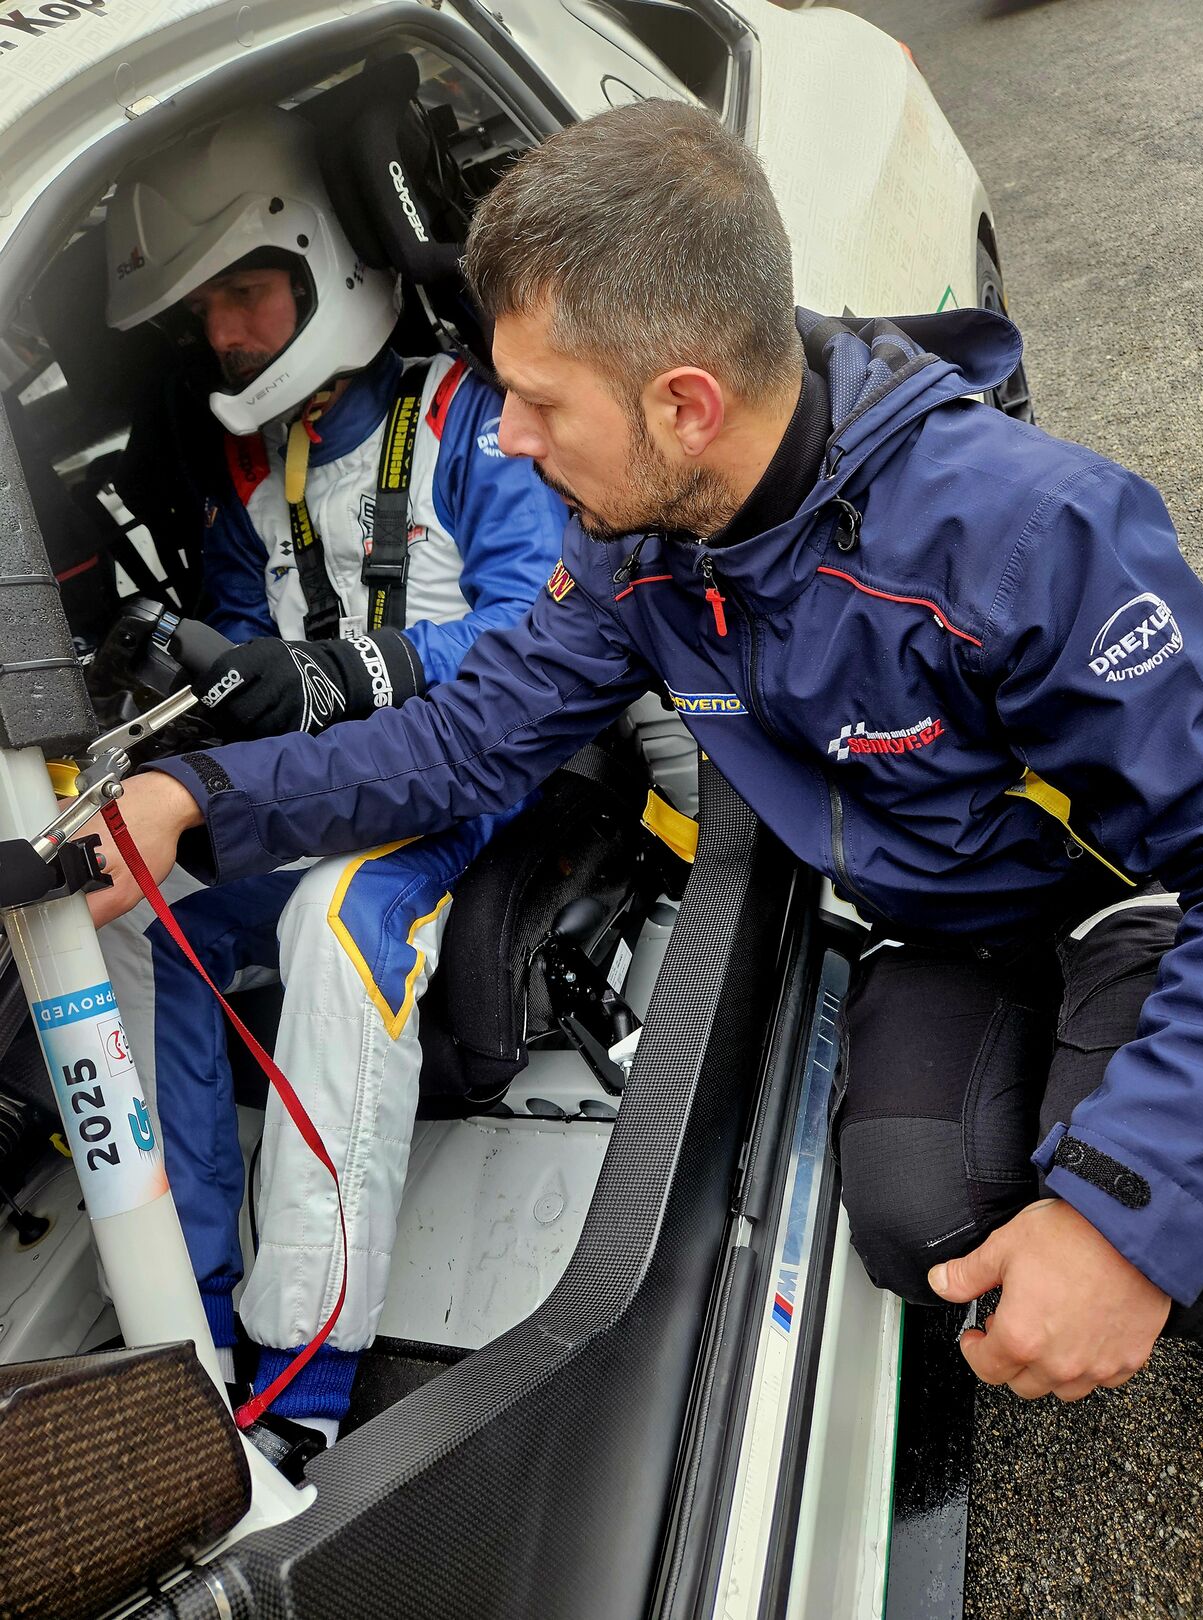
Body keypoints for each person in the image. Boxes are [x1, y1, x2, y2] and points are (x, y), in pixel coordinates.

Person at [91, 97, 1203, 1410]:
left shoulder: (1033, 535)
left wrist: (1124, 1215)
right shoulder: (641, 547)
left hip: (1132, 908)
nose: (511, 438)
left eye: (537, 403)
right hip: (949, 928)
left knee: (1154, 1227)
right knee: (925, 1222)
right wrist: (193, 796)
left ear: (685, 405)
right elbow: (462, 743)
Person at [99, 106, 567, 1439]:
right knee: (134, 911)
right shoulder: (244, 467)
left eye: (245, 294)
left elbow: (536, 634)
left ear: (326, 264)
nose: (225, 335)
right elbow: (243, 658)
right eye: (206, 310)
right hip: (314, 786)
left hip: (469, 779)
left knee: (337, 916)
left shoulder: (474, 418)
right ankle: (183, 1318)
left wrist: (338, 673)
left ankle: (304, 1383)